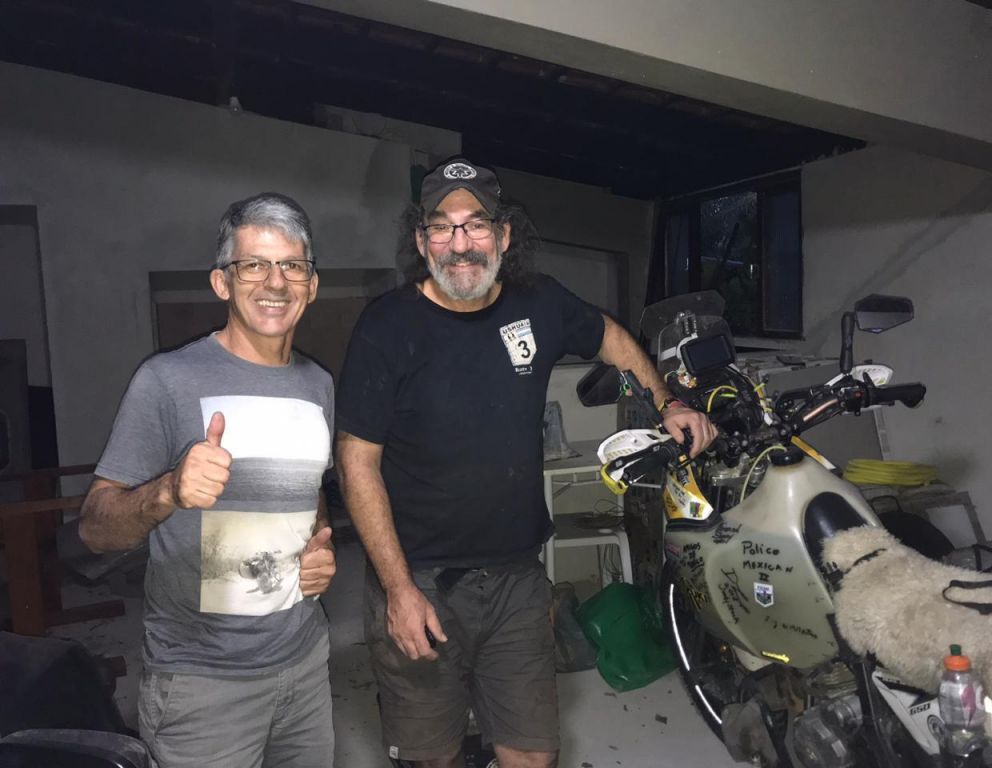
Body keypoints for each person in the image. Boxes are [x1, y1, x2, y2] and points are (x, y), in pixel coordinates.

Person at [335, 158, 717, 768]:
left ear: (504, 236)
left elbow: (612, 337)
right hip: (420, 580)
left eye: (476, 225)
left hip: (515, 577)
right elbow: (357, 464)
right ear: (420, 241)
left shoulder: (539, 304)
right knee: (430, 757)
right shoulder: (387, 326)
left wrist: (666, 401)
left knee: (532, 755)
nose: (460, 243)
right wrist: (398, 589)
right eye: (442, 226)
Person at [80, 193, 337, 768]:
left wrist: (320, 545)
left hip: (305, 665)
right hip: (203, 684)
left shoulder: (318, 385)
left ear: (312, 284)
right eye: (254, 264)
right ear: (223, 283)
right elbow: (95, 529)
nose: (276, 281)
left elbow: (309, 490)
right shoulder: (166, 381)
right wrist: (169, 490)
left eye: (293, 265)